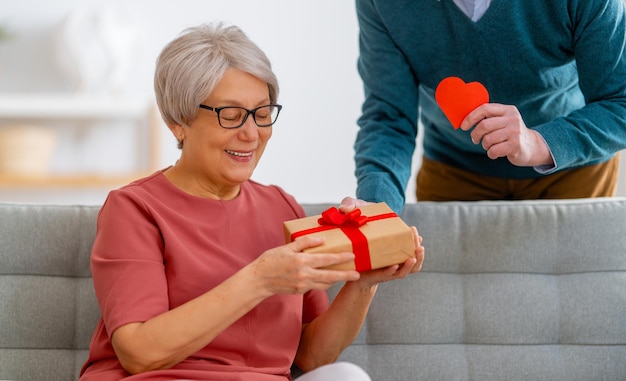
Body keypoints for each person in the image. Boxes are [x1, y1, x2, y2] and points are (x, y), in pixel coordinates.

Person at [78, 23, 425, 381]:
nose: (250, 133)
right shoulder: (135, 209)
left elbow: (310, 357)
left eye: (262, 113)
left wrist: (364, 281)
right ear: (177, 122)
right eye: (230, 115)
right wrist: (259, 280)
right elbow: (139, 353)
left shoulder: (281, 207)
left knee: (347, 376)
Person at [353, 0, 626, 213]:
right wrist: (377, 204)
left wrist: (538, 142)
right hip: (453, 169)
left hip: (573, 169)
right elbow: (388, 116)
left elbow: (620, 103)